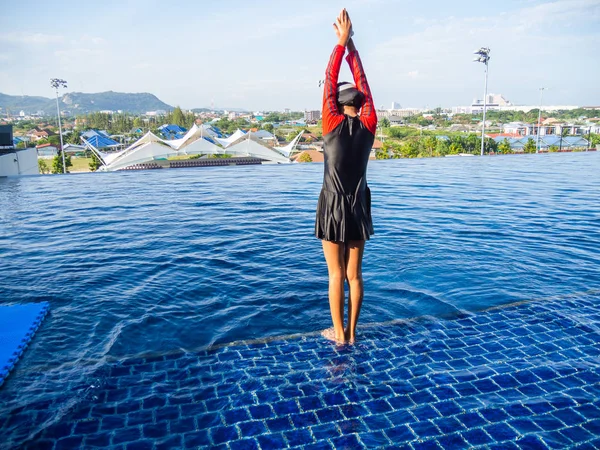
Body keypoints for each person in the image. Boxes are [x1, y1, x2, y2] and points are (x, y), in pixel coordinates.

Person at [316, 8, 377, 344]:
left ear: (338, 104)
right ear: (362, 104)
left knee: (335, 273)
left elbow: (328, 78)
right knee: (355, 275)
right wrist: (352, 47)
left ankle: (337, 334)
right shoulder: (369, 124)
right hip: (359, 204)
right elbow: (363, 83)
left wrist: (341, 42)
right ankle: (352, 334)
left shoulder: (331, 121)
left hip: (333, 203)